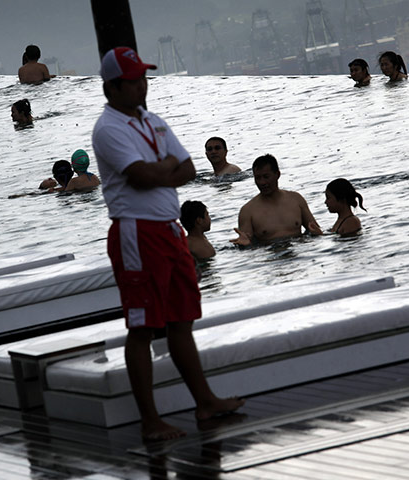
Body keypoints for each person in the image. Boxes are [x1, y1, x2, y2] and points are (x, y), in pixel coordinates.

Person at [92, 46, 244, 441]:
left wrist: (159, 172)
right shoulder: (108, 128)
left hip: (170, 229)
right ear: (114, 86)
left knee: (181, 318)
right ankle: (149, 421)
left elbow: (189, 168)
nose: (143, 85)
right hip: (136, 232)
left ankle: (205, 401)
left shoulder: (153, 121)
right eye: (134, 79)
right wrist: (164, 170)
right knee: (142, 326)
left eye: (144, 77)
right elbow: (140, 177)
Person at [232, 154, 322, 245]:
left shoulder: (296, 200)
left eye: (266, 177)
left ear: (277, 174)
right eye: (258, 178)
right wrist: (245, 245)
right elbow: (247, 247)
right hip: (269, 255)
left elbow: (316, 231)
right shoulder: (248, 211)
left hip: (297, 253)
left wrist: (316, 234)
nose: (262, 182)